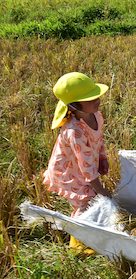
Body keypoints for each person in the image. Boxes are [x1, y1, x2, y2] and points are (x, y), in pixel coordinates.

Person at [43, 72, 112, 220]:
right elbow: (85, 163)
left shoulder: (97, 116)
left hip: (82, 169)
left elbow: (98, 139)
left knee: (92, 200)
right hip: (70, 173)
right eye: (90, 99)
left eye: (96, 96)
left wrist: (102, 157)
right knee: (85, 204)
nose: (97, 100)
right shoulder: (75, 132)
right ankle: (78, 238)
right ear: (73, 106)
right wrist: (99, 188)